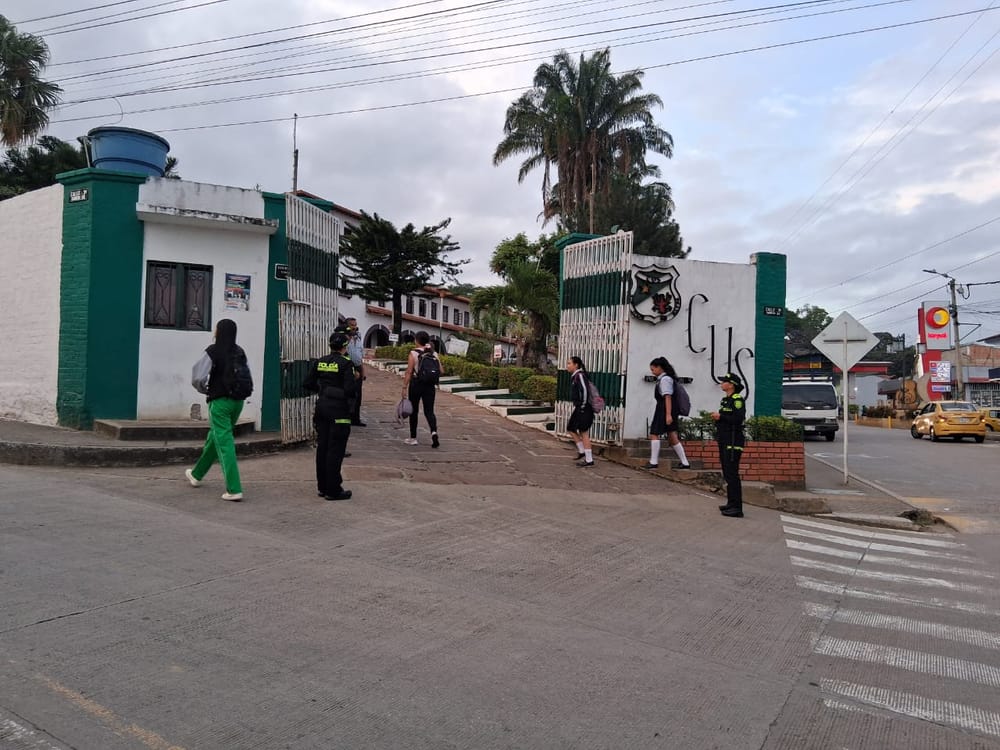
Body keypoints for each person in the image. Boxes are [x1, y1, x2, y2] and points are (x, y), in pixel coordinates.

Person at [185, 318, 248, 502]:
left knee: (225, 443)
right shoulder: (239, 351)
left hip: (219, 403)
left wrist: (205, 390)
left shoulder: (213, 350)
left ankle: (234, 489)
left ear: (218, 332)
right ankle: (196, 475)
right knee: (216, 437)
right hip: (238, 402)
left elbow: (197, 377)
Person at [302, 332, 357, 501]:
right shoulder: (346, 364)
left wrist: (323, 390)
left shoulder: (320, 361)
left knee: (323, 448)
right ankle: (333, 490)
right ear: (345, 347)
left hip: (322, 409)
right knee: (335, 450)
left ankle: (323, 487)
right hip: (339, 411)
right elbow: (350, 390)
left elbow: (307, 383)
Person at [645, 357, 691, 470]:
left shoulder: (665, 379)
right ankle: (685, 462)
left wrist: (668, 414)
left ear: (660, 368)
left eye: (653, 369)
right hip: (669, 409)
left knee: (654, 433)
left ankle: (653, 461)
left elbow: (667, 397)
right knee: (672, 435)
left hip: (664, 409)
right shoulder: (668, 378)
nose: (652, 372)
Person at [712, 372, 746, 518]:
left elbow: (738, 419)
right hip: (724, 439)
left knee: (732, 474)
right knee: (727, 473)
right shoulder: (725, 400)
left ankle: (737, 508)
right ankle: (731, 503)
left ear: (731, 385)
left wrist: (721, 417)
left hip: (733, 441)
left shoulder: (737, 400)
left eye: (724, 381)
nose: (722, 383)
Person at [402, 330, 442, 447]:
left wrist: (404, 387)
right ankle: (434, 432)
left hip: (416, 384)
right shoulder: (433, 354)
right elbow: (441, 370)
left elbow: (409, 372)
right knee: (429, 411)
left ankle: (413, 438)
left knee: (414, 411)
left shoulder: (413, 353)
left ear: (416, 341)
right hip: (430, 386)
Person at [567, 356, 595, 468]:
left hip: (584, 407)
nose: (567, 366)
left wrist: (582, 406)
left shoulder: (580, 376)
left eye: (569, 363)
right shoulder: (575, 376)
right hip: (580, 407)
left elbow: (584, 391)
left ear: (576, 365)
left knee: (584, 432)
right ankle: (582, 451)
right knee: (571, 428)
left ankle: (589, 459)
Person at [338, 317, 366, 426]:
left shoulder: (358, 338)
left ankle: (356, 419)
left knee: (358, 395)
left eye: (355, 325)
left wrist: (363, 371)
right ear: (347, 326)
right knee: (348, 393)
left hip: (358, 367)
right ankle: (346, 417)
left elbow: (360, 356)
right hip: (347, 367)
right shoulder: (344, 339)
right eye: (352, 325)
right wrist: (352, 370)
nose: (354, 327)